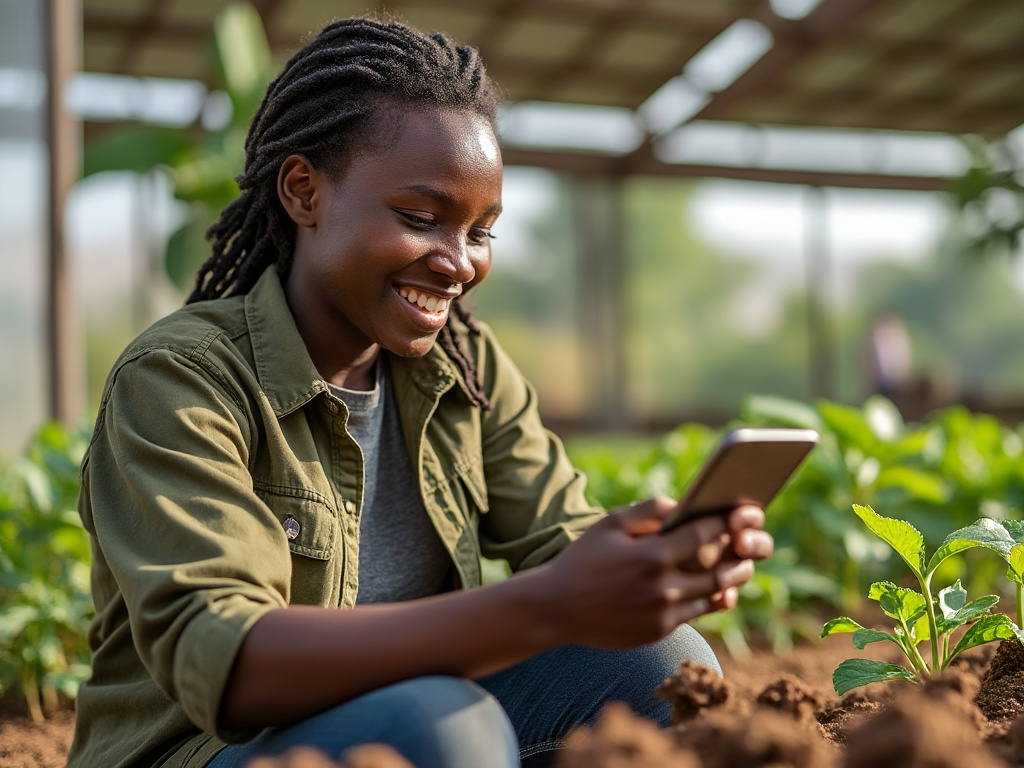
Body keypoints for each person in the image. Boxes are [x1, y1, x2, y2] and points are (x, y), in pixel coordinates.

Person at [66, 17, 773, 768]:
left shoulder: (462, 367)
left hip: (411, 721)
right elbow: (236, 667)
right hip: (210, 753)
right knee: (443, 727)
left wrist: (647, 572)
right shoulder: (183, 378)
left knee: (658, 663)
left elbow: (563, 541)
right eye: (420, 218)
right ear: (304, 192)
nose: (458, 263)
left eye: (481, 231)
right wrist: (547, 603)